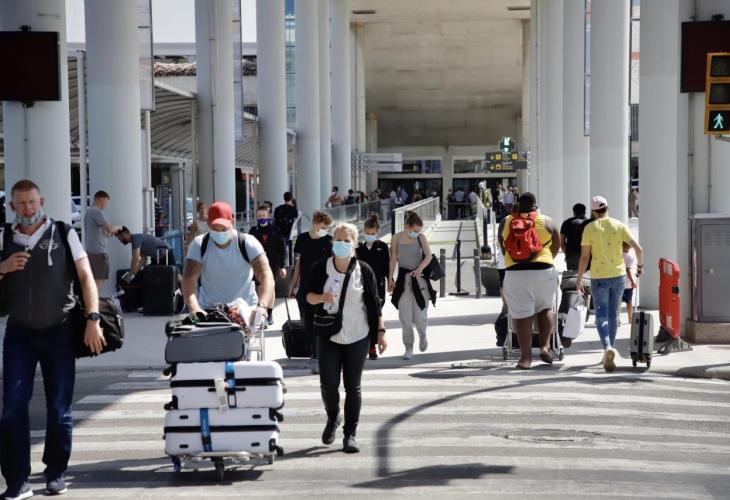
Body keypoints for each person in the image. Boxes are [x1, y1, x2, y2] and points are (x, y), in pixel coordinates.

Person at [0, 180, 105, 499]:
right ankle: (17, 480)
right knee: (12, 407)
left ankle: (55, 473)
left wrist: (93, 319)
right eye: (21, 203)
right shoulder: (4, 237)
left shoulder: (63, 233)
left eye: (32, 202)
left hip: (59, 329)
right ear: (12, 206)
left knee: (59, 408)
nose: (28, 208)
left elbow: (86, 276)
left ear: (41, 201)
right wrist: (3, 267)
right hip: (19, 332)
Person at [304, 223, 387, 454]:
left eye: (346, 241)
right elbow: (306, 296)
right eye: (338, 240)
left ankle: (350, 434)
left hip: (358, 335)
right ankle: (333, 417)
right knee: (328, 384)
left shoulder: (364, 270)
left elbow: (374, 304)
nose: (341, 244)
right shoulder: (321, 268)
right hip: (328, 335)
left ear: (354, 244)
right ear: (332, 242)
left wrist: (380, 333)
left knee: (353, 386)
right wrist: (321, 297)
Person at [576, 196, 644, 372]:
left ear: (593, 212)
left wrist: (579, 278)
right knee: (613, 315)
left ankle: (607, 348)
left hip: (599, 276)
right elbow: (638, 249)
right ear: (607, 208)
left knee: (600, 315)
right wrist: (639, 267)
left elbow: (584, 257)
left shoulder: (589, 228)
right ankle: (610, 348)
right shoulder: (619, 225)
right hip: (618, 276)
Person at [182, 201, 274, 327]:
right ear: (208, 224)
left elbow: (266, 277)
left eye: (224, 229)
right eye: (215, 229)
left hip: (245, 310)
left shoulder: (248, 243)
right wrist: (194, 308)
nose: (220, 233)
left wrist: (262, 306)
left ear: (233, 221)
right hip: (209, 310)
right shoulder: (199, 244)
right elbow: (189, 279)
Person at [498, 192, 560, 370]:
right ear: (535, 205)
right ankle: (545, 347)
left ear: (518, 204)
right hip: (543, 270)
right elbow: (556, 246)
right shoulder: (547, 221)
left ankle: (526, 359)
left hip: (515, 272)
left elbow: (503, 247)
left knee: (522, 315)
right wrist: (544, 259)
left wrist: (517, 258)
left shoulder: (506, 222)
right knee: (545, 308)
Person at [289, 211, 334, 374]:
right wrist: (293, 284)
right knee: (307, 322)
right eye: (323, 227)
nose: (325, 230)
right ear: (314, 224)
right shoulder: (302, 239)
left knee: (320, 321)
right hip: (305, 287)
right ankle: (314, 352)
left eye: (327, 228)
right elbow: (299, 264)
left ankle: (318, 355)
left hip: (323, 287)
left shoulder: (329, 241)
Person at [388, 212, 436, 360]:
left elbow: (429, 255)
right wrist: (390, 278)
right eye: (415, 230)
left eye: (419, 230)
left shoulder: (421, 237)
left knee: (420, 317)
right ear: (406, 226)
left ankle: (422, 334)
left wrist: (420, 268)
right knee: (405, 317)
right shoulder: (396, 238)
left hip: (419, 281)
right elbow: (393, 259)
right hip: (403, 281)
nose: (417, 233)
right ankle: (408, 347)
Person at [356, 214, 390, 360]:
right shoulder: (359, 249)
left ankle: (372, 346)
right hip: (362, 286)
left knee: (376, 315)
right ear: (363, 231)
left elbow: (387, 267)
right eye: (367, 233)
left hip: (379, 287)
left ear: (377, 232)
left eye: (372, 233)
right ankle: (366, 345)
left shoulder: (382, 247)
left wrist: (390, 280)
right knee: (364, 316)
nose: (369, 235)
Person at [249, 205, 287, 326]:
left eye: (264, 215)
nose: (262, 218)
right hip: (257, 264)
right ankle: (262, 312)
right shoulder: (253, 231)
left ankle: (269, 313)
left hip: (273, 264)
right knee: (260, 287)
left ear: (268, 216)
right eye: (259, 216)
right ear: (256, 217)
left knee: (270, 287)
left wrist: (282, 266)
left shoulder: (275, 230)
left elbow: (282, 248)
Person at [83, 190, 122, 294]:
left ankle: (90, 302)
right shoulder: (97, 212)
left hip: (90, 251)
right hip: (99, 252)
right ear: (100, 199)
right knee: (99, 281)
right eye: (106, 202)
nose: (106, 205)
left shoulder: (88, 213)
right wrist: (119, 227)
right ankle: (94, 303)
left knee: (93, 280)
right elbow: (109, 228)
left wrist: (109, 234)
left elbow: (99, 232)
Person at [560, 203, 590, 271]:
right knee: (587, 276)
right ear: (585, 212)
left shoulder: (566, 223)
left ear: (574, 212)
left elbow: (562, 243)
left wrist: (567, 254)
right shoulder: (589, 223)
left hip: (572, 255)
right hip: (587, 255)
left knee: (573, 276)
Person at [274, 192, 299, 266]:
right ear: (291, 198)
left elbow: (274, 221)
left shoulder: (278, 209)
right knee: (288, 249)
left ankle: (281, 263)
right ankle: (287, 264)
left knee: (281, 248)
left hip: (279, 232)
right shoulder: (294, 209)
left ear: (284, 198)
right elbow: (295, 222)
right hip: (289, 232)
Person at [620, 242, 638, 325]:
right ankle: (630, 319)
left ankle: (617, 319)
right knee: (629, 302)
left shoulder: (618, 255)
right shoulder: (630, 257)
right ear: (630, 247)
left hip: (619, 282)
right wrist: (633, 281)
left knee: (618, 302)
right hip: (628, 283)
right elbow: (628, 270)